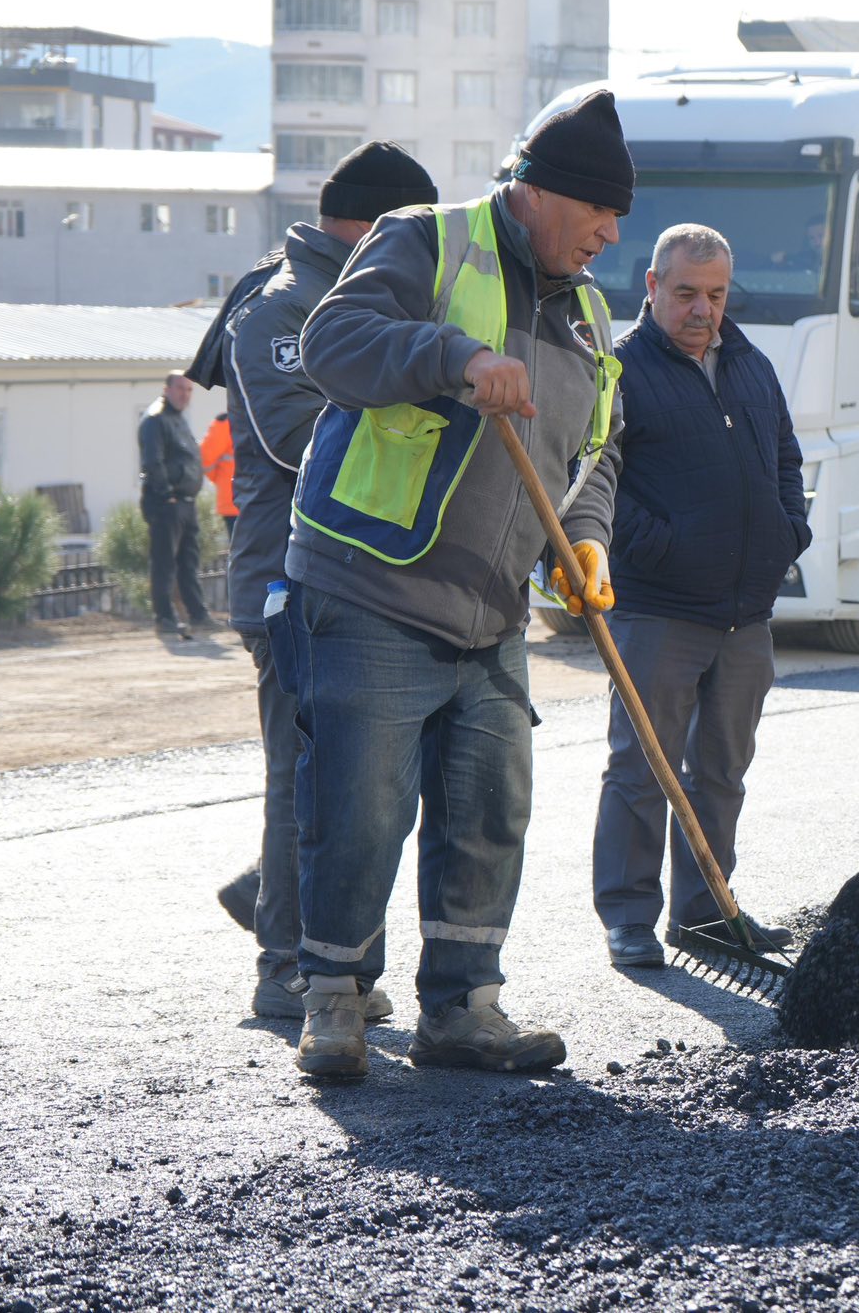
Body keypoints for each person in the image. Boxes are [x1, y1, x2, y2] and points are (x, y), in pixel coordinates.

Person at [284, 90, 631, 1081]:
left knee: (489, 809)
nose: (610, 234)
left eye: (619, 218)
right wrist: (454, 356)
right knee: (360, 807)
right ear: (538, 192)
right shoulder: (426, 241)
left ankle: (464, 1008)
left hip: (490, 612)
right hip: (373, 588)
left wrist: (585, 537)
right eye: (599, 212)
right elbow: (332, 343)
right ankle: (336, 1000)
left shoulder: (591, 313)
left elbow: (593, 449)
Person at [197, 140, 438, 1023]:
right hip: (287, 584)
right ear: (383, 228)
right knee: (301, 774)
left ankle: (279, 899)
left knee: (358, 776)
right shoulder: (282, 308)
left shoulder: (352, 295)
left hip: (364, 581)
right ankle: (284, 964)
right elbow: (302, 443)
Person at [591, 224, 807, 967]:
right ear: (651, 288)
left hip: (746, 616)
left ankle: (707, 914)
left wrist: (788, 533)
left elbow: (785, 456)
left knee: (721, 771)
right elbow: (596, 487)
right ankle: (628, 917)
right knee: (642, 767)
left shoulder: (751, 366)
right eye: (685, 294)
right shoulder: (616, 372)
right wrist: (668, 551)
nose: (703, 310)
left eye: (716, 295)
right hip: (657, 611)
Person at [137, 371, 210, 638]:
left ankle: (198, 614)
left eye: (189, 390)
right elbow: (152, 461)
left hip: (186, 503)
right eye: (181, 389)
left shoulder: (178, 419)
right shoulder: (156, 420)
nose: (185, 394)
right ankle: (164, 617)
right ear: (167, 389)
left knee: (189, 562)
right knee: (164, 563)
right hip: (167, 503)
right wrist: (166, 493)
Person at [200, 411, 238, 540]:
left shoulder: (225, 423)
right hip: (246, 500)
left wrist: (219, 479)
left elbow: (205, 460)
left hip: (233, 499)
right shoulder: (260, 416)